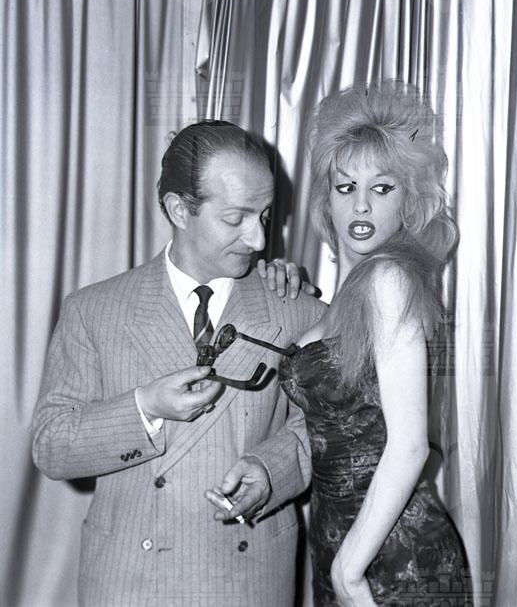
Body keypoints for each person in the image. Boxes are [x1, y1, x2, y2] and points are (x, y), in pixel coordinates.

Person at [31, 120, 325, 606]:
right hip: (130, 582)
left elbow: (326, 431)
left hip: (247, 579)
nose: (257, 239)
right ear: (178, 210)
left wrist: (271, 470)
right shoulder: (94, 310)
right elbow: (52, 447)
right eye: (236, 218)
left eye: (265, 215)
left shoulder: (298, 310)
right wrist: (144, 408)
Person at [279, 82, 472, 606]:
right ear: (327, 198)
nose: (361, 204)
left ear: (406, 201)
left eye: (382, 189)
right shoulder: (346, 295)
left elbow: (410, 445)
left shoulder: (389, 279)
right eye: (345, 187)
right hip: (341, 545)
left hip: (392, 558)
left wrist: (347, 571)